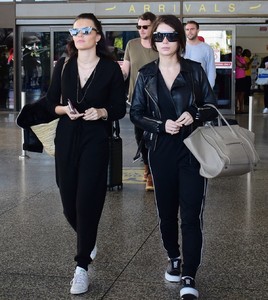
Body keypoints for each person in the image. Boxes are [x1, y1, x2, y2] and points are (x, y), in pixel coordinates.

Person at [130, 14, 217, 300]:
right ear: (152, 40)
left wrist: (194, 113)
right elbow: (136, 114)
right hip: (160, 151)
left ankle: (190, 273)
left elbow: (211, 106)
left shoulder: (193, 70)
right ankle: (174, 257)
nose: (164, 41)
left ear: (180, 39)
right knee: (166, 212)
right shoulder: (146, 74)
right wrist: (159, 125)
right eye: (158, 36)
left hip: (192, 148)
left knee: (191, 214)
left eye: (170, 36)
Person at [45, 13, 126, 295]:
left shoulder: (110, 69)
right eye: (75, 31)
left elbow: (119, 108)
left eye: (86, 30)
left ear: (98, 35)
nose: (79, 35)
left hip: (95, 139)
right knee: (68, 202)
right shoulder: (64, 66)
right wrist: (63, 110)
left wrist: (102, 111)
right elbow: (50, 102)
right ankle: (87, 239)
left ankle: (81, 267)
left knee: (87, 199)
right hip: (66, 137)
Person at [121, 12, 158, 191]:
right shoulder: (131, 44)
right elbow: (125, 71)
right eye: (139, 27)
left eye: (145, 27)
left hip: (158, 100)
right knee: (140, 136)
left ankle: (151, 172)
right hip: (137, 100)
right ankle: (146, 165)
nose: (141, 30)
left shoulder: (161, 44)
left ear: (153, 26)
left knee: (157, 135)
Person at [184, 20, 216, 88]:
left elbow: (211, 70)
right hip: (182, 87)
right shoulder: (180, 48)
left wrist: (209, 88)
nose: (189, 32)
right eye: (187, 29)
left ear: (198, 30)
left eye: (192, 29)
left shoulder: (207, 49)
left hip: (199, 87)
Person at [235, 46, 247, 113]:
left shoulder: (242, 58)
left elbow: (246, 66)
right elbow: (239, 65)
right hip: (237, 77)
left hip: (243, 77)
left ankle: (241, 109)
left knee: (242, 94)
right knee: (236, 94)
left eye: (241, 51)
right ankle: (235, 109)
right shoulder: (235, 57)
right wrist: (243, 65)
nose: (240, 52)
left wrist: (243, 65)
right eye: (238, 51)